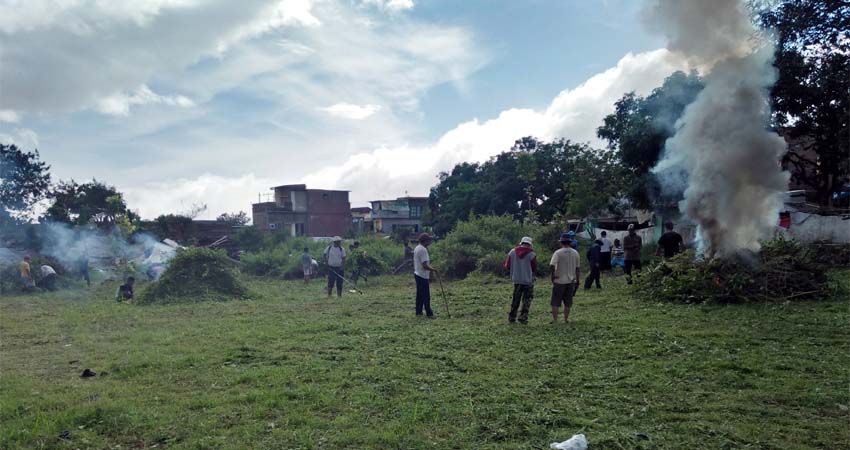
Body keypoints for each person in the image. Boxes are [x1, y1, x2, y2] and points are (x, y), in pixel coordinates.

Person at [504, 236, 538, 324]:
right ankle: (523, 318)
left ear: (521, 243)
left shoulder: (512, 252)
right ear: (530, 244)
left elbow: (507, 266)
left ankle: (512, 317)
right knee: (526, 300)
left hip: (516, 279)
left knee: (516, 299)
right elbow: (534, 267)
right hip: (528, 280)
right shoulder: (532, 254)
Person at [550, 233, 580, 323]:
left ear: (561, 242)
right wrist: (577, 280)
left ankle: (555, 320)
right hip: (571, 280)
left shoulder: (558, 253)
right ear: (570, 242)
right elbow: (577, 268)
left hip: (559, 280)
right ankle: (566, 319)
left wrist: (553, 275)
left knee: (555, 301)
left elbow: (552, 265)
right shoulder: (575, 253)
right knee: (568, 302)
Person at [413, 233, 438, 318]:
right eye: (429, 240)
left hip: (417, 274)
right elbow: (424, 265)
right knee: (426, 295)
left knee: (420, 295)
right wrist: (433, 270)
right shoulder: (423, 250)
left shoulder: (417, 247)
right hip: (422, 275)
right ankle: (429, 314)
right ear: (426, 241)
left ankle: (418, 312)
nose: (430, 242)